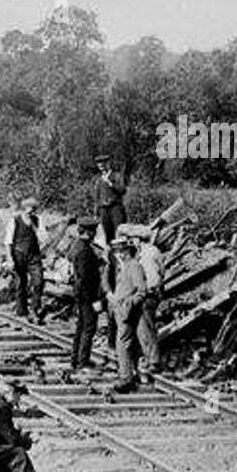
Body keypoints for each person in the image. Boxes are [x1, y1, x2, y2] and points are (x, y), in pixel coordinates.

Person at [108, 235, 147, 393]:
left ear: (125, 252)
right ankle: (130, 372)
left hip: (126, 310)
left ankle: (126, 377)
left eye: (119, 251)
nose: (118, 254)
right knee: (127, 343)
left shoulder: (134, 266)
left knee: (122, 343)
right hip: (119, 309)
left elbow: (141, 291)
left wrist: (128, 304)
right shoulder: (124, 267)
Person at [3, 196, 46, 322]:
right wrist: (10, 259)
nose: (31, 212)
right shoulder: (14, 221)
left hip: (34, 255)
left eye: (33, 210)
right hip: (19, 254)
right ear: (23, 209)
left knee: (39, 281)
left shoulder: (38, 220)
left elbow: (44, 238)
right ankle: (21, 310)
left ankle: (34, 310)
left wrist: (34, 227)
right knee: (21, 283)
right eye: (28, 209)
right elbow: (8, 242)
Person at [69, 215, 102, 369]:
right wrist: (94, 299)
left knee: (81, 327)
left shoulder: (78, 246)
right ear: (89, 232)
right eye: (94, 231)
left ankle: (75, 359)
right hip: (86, 295)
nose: (95, 234)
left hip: (81, 294)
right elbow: (84, 278)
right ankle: (83, 361)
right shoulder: (84, 251)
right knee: (88, 327)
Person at [135, 225, 165, 381]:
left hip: (146, 294)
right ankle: (150, 358)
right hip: (155, 294)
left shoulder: (142, 254)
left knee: (145, 329)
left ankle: (152, 361)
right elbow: (162, 272)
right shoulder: (156, 252)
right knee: (149, 326)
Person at [93, 156, 127, 242]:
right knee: (108, 234)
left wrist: (110, 183)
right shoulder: (98, 179)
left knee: (119, 231)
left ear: (108, 164)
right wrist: (96, 212)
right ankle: (111, 253)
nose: (101, 166)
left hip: (115, 208)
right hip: (103, 210)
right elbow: (97, 197)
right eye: (99, 164)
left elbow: (122, 190)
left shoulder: (117, 176)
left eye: (103, 163)